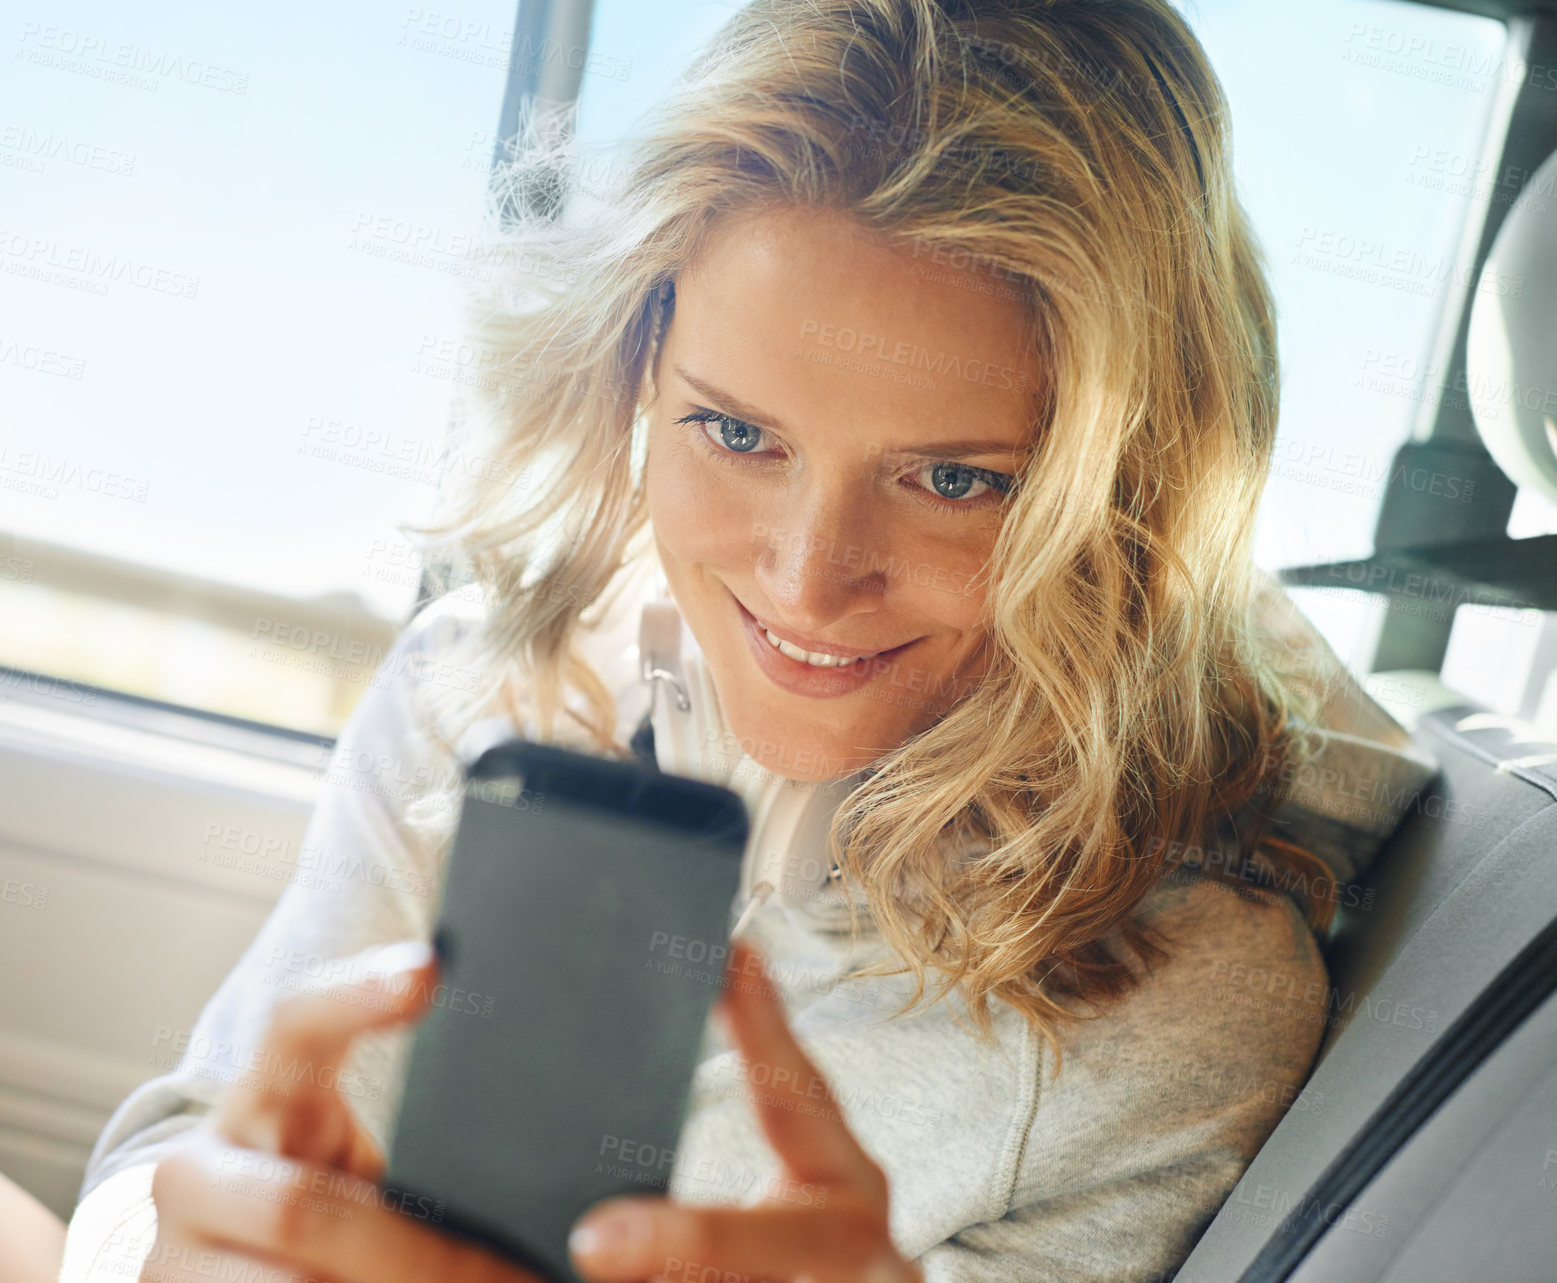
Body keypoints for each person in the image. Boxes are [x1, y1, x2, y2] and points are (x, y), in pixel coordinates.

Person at [47, 1, 1442, 1280]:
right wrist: (182, 1240)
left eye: (955, 479)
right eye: (734, 433)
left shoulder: (1171, 1000)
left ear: (1124, 493)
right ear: (635, 380)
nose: (806, 580)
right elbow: (176, 1144)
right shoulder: (486, 700)